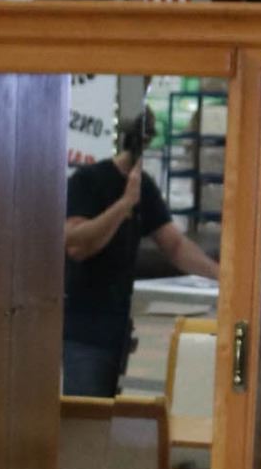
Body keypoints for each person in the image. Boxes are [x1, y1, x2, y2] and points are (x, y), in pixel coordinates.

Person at [63, 113, 219, 398]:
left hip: (118, 328)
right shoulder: (88, 180)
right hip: (85, 330)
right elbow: (76, 245)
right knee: (87, 414)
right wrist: (124, 205)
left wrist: (222, 275)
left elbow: (174, 245)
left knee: (113, 409)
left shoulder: (143, 186)